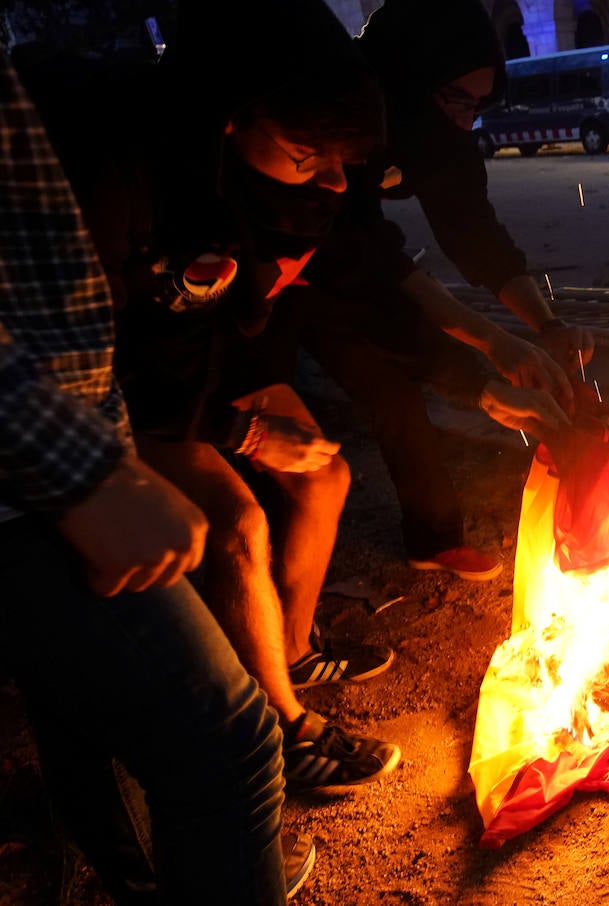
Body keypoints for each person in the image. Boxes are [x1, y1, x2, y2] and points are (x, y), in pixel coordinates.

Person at [21, 0, 405, 791]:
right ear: (234, 116)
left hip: (178, 369)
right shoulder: (117, 172)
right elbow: (103, 363)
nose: (334, 179)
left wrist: (487, 358)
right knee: (235, 523)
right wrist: (241, 434)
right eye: (309, 155)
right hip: (85, 395)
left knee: (325, 474)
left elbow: (236, 306)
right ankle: (282, 727)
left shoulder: (233, 170)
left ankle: (292, 652)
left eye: (342, 159)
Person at [0, 50, 308, 903]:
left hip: (65, 440)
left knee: (80, 691)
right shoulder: (124, 163)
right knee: (229, 747)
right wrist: (88, 474)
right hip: (29, 475)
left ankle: (143, 871)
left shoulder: (175, 175)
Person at [253, 0, 579, 583]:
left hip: (341, 264)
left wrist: (544, 328)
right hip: (265, 280)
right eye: (456, 99)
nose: (465, 121)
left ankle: (433, 539)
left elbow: (473, 231)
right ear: (409, 77)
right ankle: (266, 564)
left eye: (477, 105)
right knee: (263, 415)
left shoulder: (442, 133)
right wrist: (490, 346)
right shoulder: (342, 123)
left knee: (395, 393)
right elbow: (374, 261)